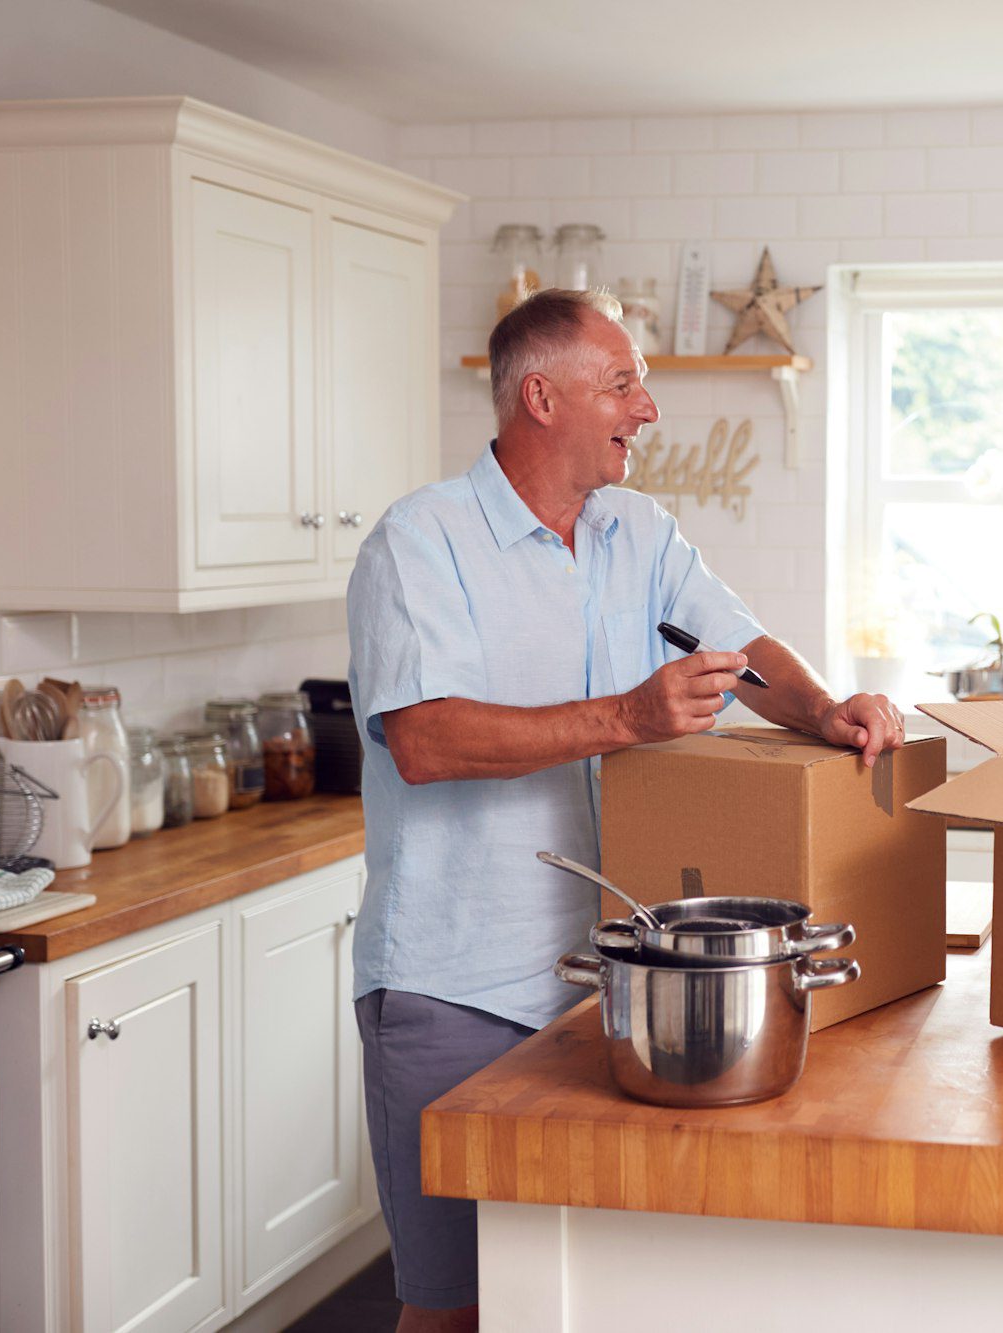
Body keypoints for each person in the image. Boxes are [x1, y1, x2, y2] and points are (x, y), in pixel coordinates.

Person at [345, 287, 905, 1333]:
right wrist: (628, 716)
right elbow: (423, 740)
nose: (646, 408)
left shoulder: (634, 530)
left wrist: (827, 710)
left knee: (574, 1295)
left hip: (601, 990)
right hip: (451, 990)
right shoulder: (418, 542)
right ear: (541, 396)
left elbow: (736, 654)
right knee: (453, 1307)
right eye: (623, 382)